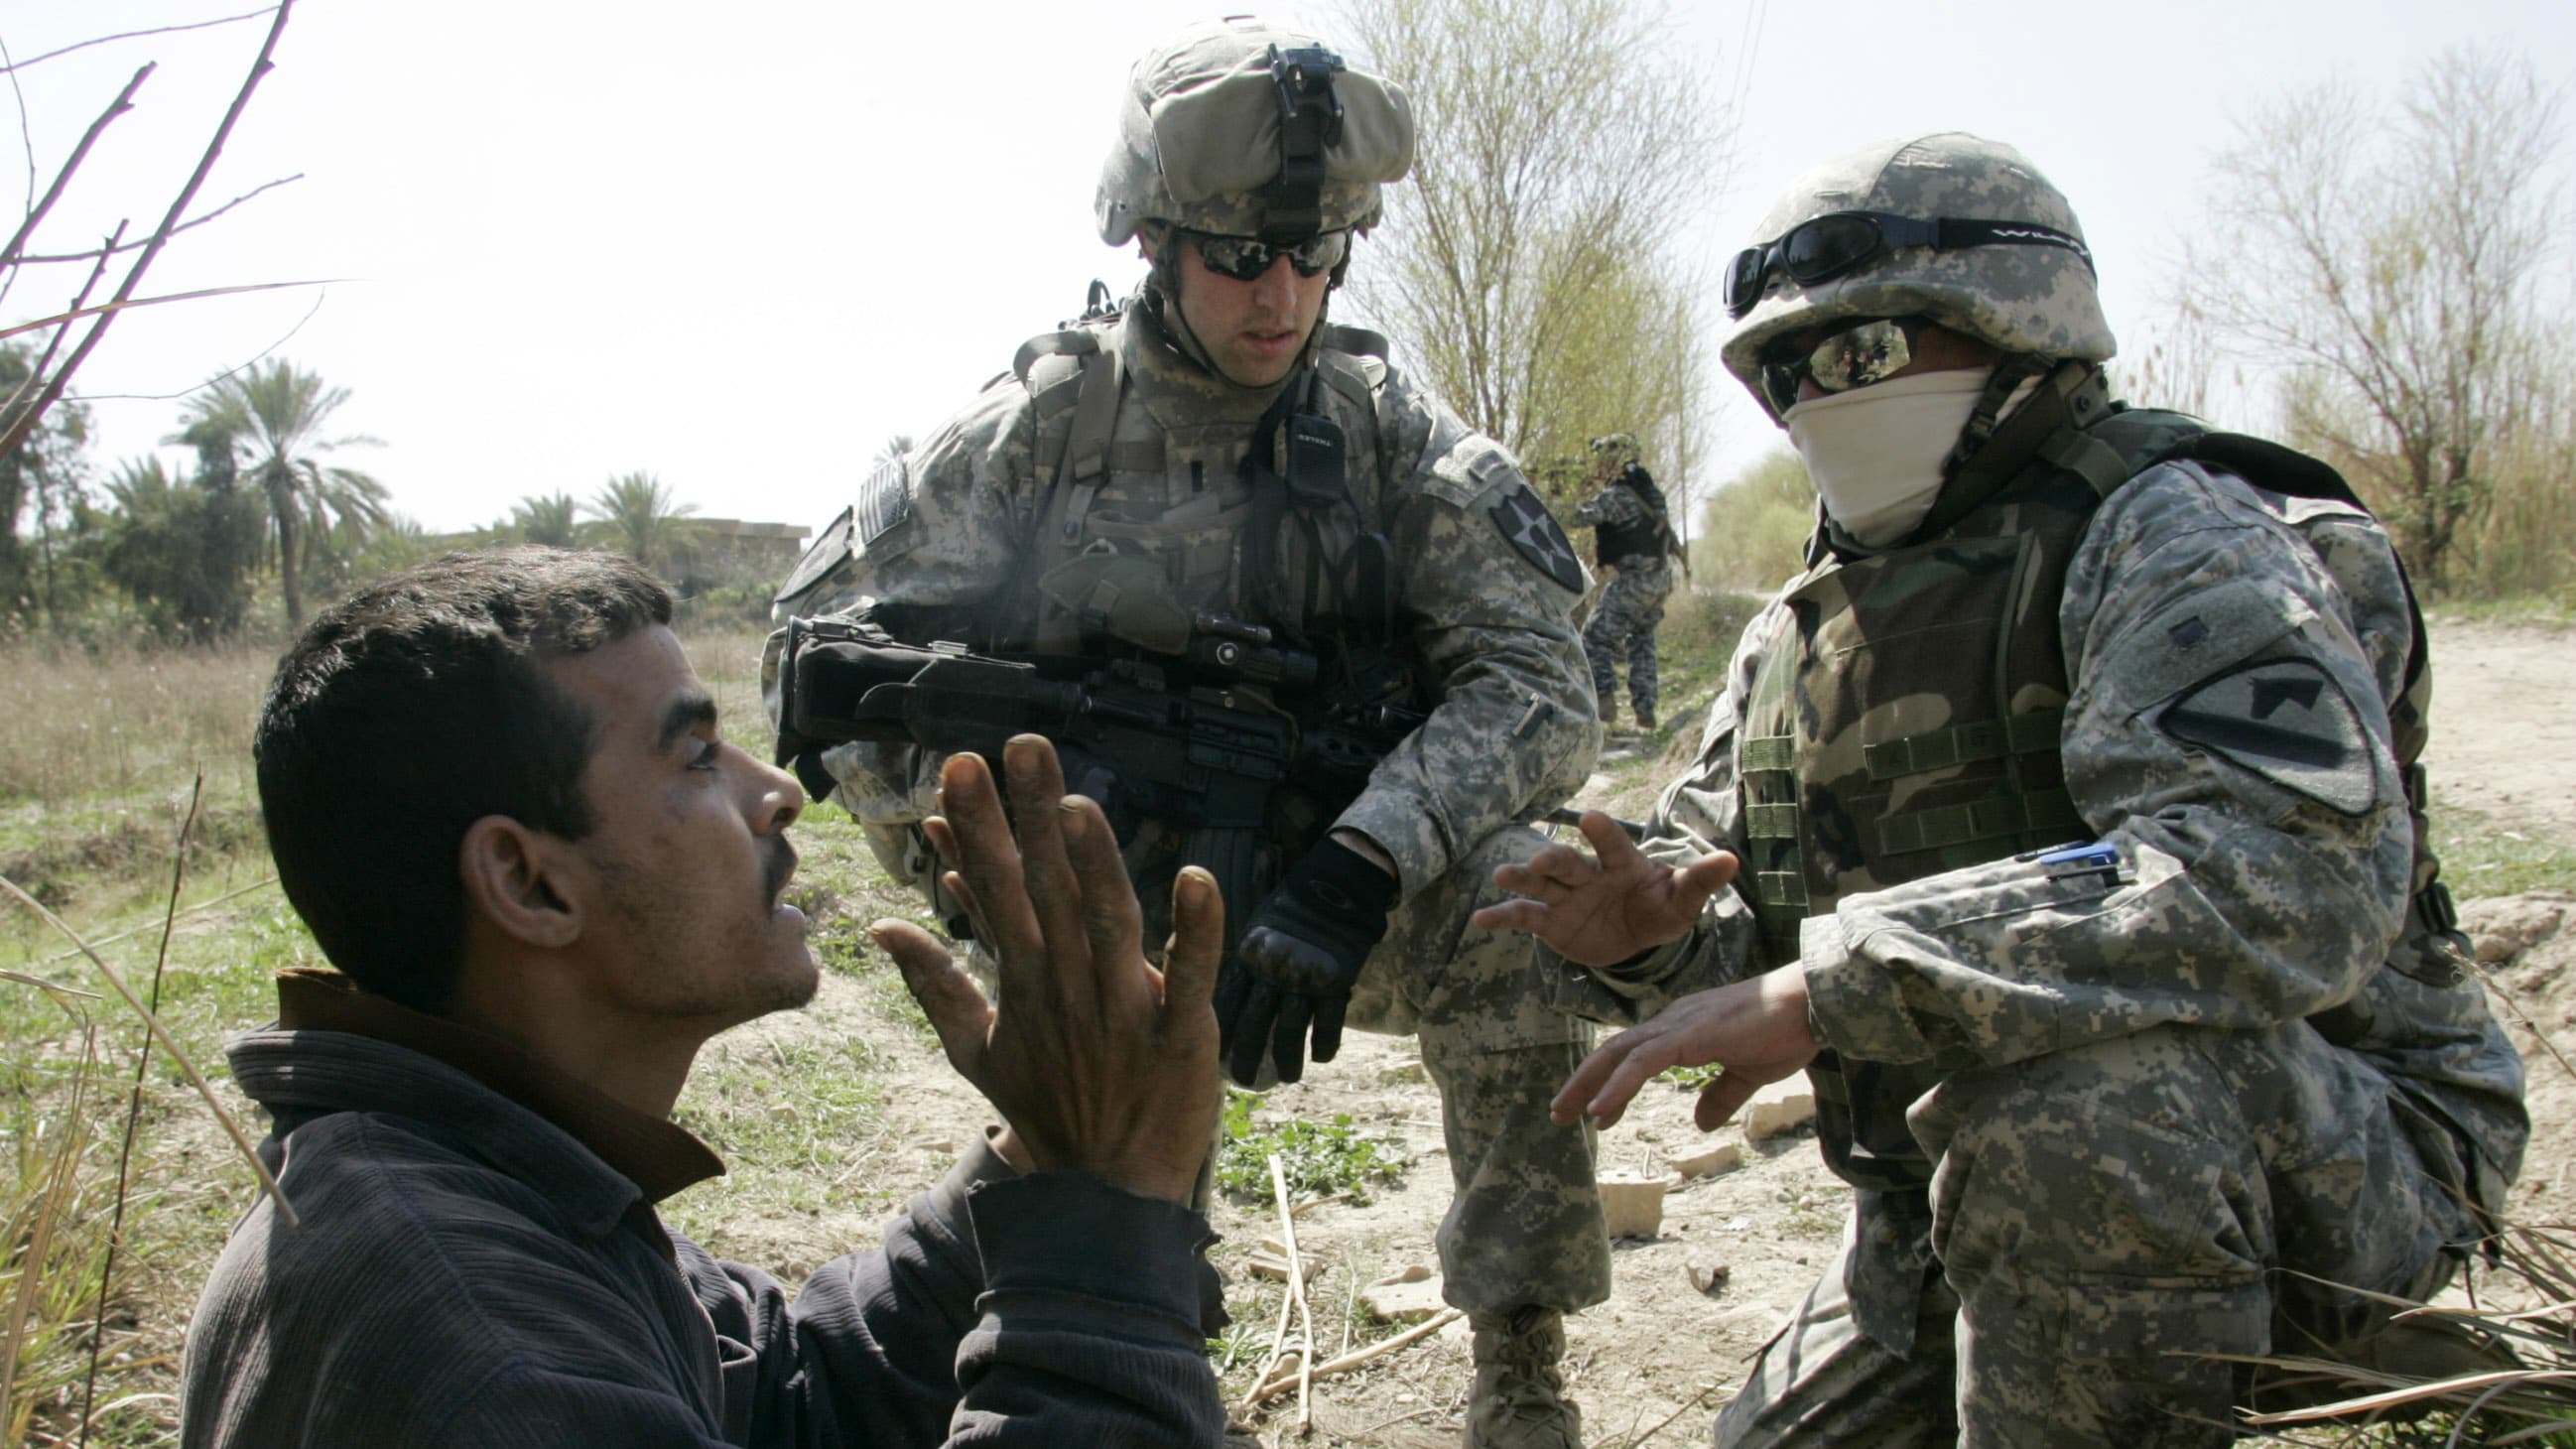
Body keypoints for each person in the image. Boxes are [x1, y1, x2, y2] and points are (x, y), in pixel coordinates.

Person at [1475, 133, 2529, 1445]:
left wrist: (1847, 982)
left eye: (1859, 354)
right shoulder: (1800, 632)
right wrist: (1657, 938)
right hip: (1936, 1207)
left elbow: (2279, 876)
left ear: (2012, 330)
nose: (1817, 396)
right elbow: (1756, 942)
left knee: (2073, 1107)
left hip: (2324, 1151)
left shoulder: (2173, 535)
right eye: (1785, 370)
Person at [765, 18, 1606, 1445]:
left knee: (1524, 905)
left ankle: (1519, 1365)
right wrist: (986, 854)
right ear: (1156, 243)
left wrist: (1362, 864)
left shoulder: (1387, 431)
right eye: (1239, 259)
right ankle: (1123, 1367)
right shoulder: (1045, 429)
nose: (1280, 295)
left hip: (1335, 881)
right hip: (1107, 893)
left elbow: (1542, 681)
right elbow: (815, 654)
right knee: (1113, 1128)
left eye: (1316, 256)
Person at [180, 548, 1227, 1447]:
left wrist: (1041, 1162)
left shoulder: (478, 1176)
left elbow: (790, 1397)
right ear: (531, 881)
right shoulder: (481, 1341)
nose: (775, 789)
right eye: (692, 753)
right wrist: (1103, 1236)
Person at [1570, 433, 1683, 732]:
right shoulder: (1650, 493)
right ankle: (1646, 710)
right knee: (1642, 639)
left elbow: (1574, 517)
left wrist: (1566, 490)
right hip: (1660, 578)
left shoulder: (1617, 496)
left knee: (1593, 637)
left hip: (1635, 580)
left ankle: (1605, 702)